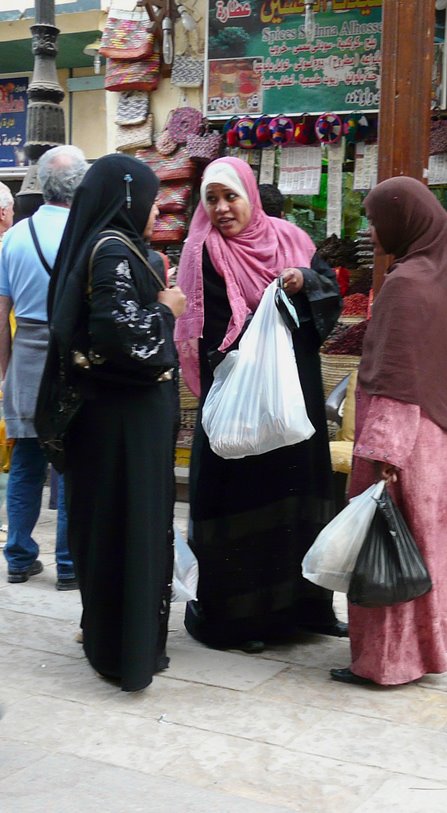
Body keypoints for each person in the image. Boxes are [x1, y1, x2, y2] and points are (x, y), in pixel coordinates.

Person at [175, 157, 342, 653]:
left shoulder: (292, 241)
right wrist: (251, 348)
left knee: (295, 496)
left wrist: (302, 284)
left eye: (231, 196)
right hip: (240, 401)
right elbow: (201, 329)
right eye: (213, 199)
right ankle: (238, 621)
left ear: (249, 194)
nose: (223, 208)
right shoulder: (202, 252)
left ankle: (305, 609)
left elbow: (328, 297)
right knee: (242, 502)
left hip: (293, 398)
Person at [36, 153, 185, 691]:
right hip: (123, 423)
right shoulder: (113, 253)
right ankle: (124, 651)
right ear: (127, 198)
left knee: (113, 528)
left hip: (117, 420)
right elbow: (130, 342)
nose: (156, 209)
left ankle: (113, 638)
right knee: (129, 530)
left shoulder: (106, 249)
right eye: (149, 197)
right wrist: (167, 309)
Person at [330, 176, 447, 687]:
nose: (371, 229)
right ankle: (426, 651)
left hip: (403, 441)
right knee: (425, 550)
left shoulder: (405, 285)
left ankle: (385, 662)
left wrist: (384, 453)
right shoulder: (446, 280)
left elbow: (397, 375)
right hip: (440, 438)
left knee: (386, 546)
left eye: (375, 218)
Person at [0, 146, 87, 587]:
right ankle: (69, 565)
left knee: (27, 461)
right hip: (73, 358)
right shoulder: (89, 233)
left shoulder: (15, 236)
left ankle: (18, 556)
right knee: (70, 463)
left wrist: (6, 370)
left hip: (27, 355)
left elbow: (1, 315)